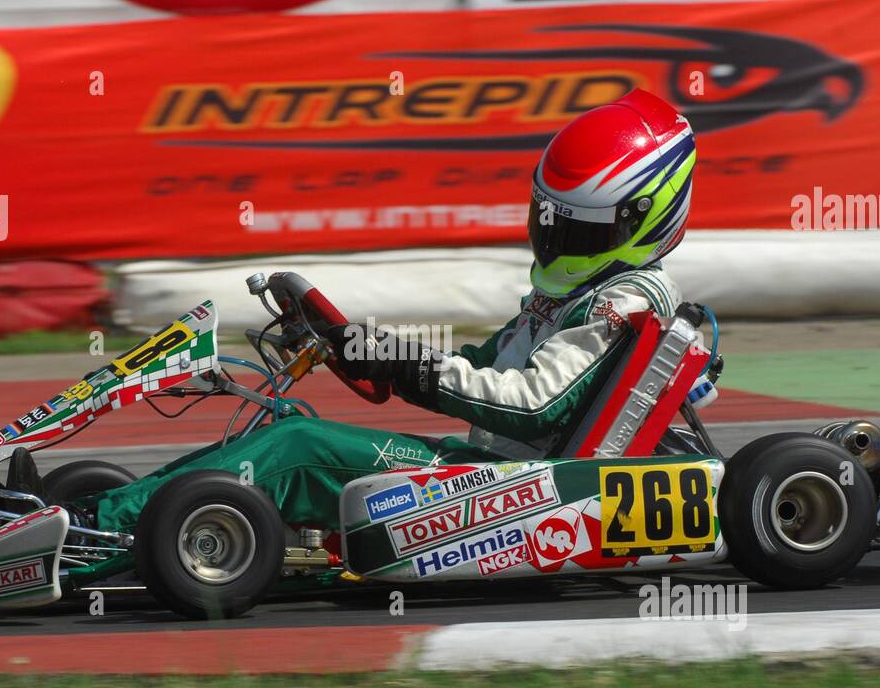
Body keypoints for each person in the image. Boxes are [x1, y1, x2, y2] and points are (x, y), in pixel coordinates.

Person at [92, 88, 697, 535]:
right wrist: (372, 346)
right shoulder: (572, 291)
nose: (556, 237)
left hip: (524, 494)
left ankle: (105, 526)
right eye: (550, 219)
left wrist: (407, 366)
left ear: (643, 216)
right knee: (289, 429)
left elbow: (530, 402)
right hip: (490, 474)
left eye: (576, 227)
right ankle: (105, 509)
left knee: (302, 445)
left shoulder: (628, 300)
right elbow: (478, 365)